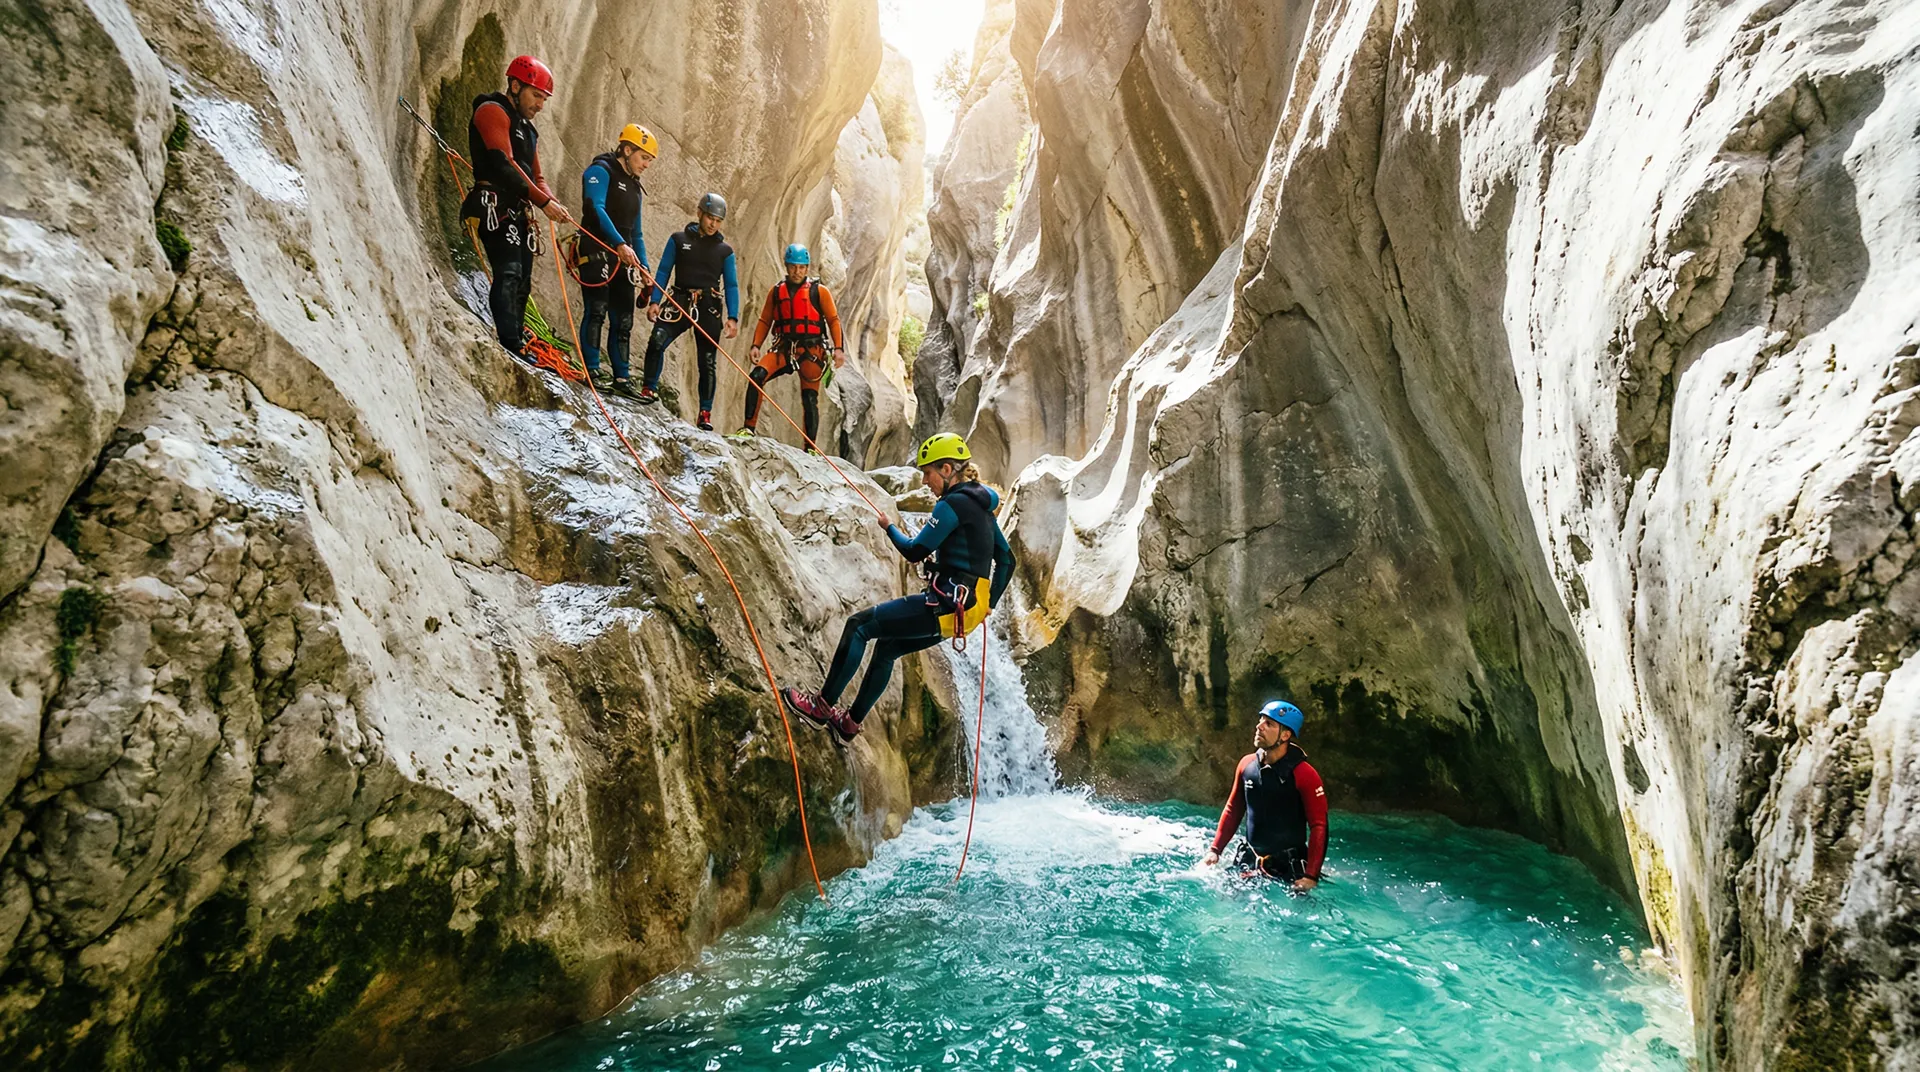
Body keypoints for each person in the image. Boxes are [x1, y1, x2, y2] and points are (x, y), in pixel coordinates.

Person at [782, 434, 1014, 741]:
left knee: (859, 626)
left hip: (946, 606)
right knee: (887, 648)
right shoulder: (982, 507)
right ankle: (849, 724)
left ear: (946, 469)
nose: (924, 481)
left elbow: (914, 550)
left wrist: (889, 527)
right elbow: (1007, 560)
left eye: (927, 472)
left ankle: (821, 708)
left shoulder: (952, 504)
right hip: (966, 613)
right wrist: (989, 604)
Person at [464, 55, 568, 360]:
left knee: (522, 277)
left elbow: (538, 176)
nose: (540, 105)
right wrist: (543, 201)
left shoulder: (529, 130)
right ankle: (510, 341)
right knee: (508, 271)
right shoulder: (492, 111)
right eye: (536, 96)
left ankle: (517, 332)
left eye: (544, 99)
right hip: (493, 204)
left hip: (519, 209)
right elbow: (504, 163)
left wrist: (552, 202)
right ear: (514, 85)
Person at [1202, 700, 1329, 891]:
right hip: (1249, 860)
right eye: (1261, 720)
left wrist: (1311, 876)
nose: (1258, 726)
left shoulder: (1305, 774)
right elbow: (1233, 809)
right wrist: (1215, 851)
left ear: (1285, 735)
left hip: (1289, 868)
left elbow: (1319, 826)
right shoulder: (1246, 765)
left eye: (1269, 724)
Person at [638, 193, 740, 429]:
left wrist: (733, 317)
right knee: (657, 341)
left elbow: (732, 284)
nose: (713, 224)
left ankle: (705, 413)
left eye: (718, 220)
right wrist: (655, 300)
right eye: (710, 218)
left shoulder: (725, 251)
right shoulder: (678, 240)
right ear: (699, 214)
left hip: (708, 307)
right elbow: (664, 271)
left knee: (707, 361)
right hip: (680, 300)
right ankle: (648, 388)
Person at [728, 244, 844, 448]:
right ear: (786, 266)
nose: (797, 271)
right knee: (756, 376)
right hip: (784, 348)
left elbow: (833, 320)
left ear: (807, 268)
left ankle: (811, 448)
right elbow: (765, 320)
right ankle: (748, 428)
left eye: (801, 267)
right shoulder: (776, 291)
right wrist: (756, 345)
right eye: (793, 267)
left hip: (811, 351)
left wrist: (838, 349)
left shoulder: (820, 292)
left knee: (809, 398)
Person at [576, 123, 658, 395]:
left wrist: (644, 268)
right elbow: (595, 207)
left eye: (649, 160)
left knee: (624, 319)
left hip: (623, 258)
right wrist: (619, 244)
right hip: (596, 248)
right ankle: (591, 368)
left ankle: (621, 378)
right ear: (626, 149)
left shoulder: (635, 189)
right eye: (643, 157)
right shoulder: (601, 170)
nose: (646, 164)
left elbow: (637, 232)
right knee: (597, 310)